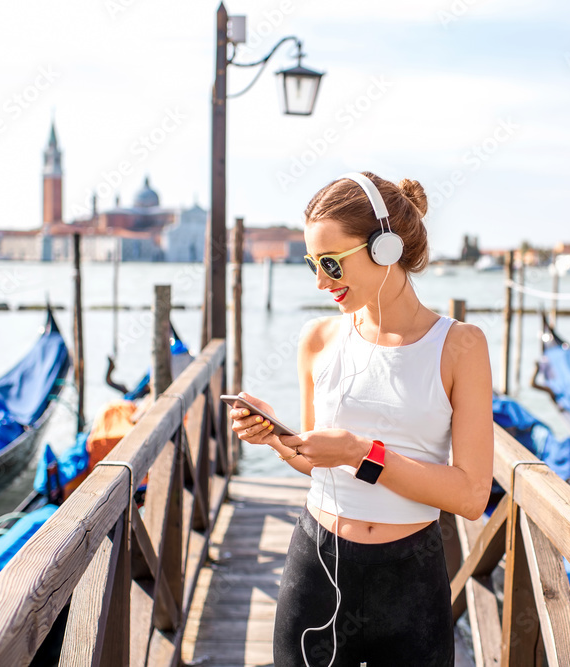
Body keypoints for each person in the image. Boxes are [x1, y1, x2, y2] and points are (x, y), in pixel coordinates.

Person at [230, 171, 493, 667]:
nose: (320, 281)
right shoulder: (317, 339)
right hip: (316, 568)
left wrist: (360, 453)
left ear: (386, 248)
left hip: (411, 579)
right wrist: (277, 437)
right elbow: (314, 464)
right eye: (312, 263)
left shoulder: (460, 346)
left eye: (330, 262)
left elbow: (472, 495)